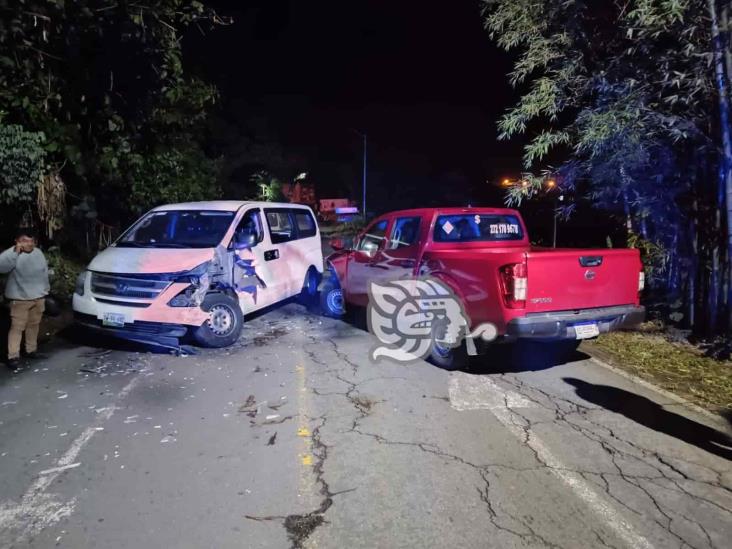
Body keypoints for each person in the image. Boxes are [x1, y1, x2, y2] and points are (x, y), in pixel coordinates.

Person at [0, 228, 50, 369]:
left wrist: (46, 290)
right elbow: (2, 268)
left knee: (33, 325)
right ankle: (13, 356)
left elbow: (43, 272)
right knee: (17, 327)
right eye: (24, 241)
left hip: (38, 296)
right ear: (17, 241)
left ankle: (31, 350)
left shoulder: (38, 253)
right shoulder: (11, 254)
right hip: (20, 299)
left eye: (31, 241)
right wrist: (15, 252)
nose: (28, 244)